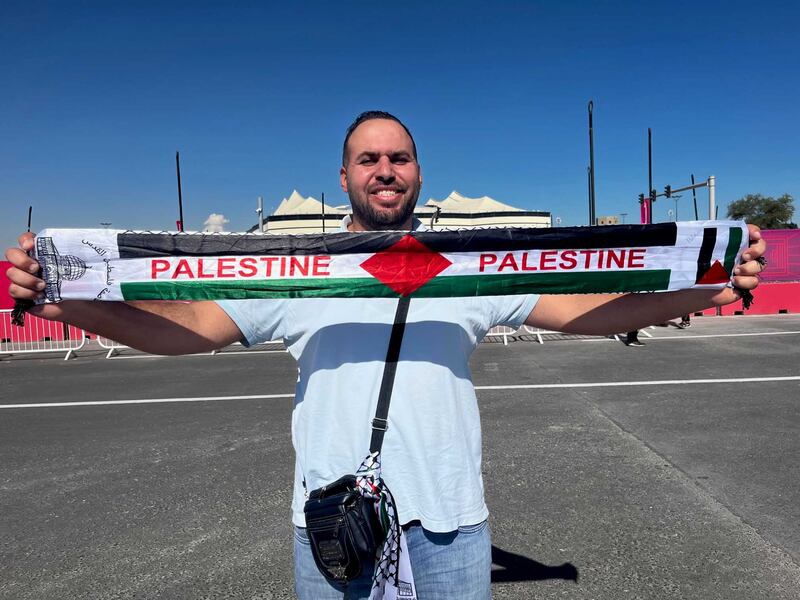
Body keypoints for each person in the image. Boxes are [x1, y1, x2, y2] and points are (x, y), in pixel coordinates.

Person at [4, 111, 767, 600]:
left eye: (398, 158)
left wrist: (707, 291)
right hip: (334, 523)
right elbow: (188, 327)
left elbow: (599, 313)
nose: (385, 170)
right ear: (344, 177)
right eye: (368, 159)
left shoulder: (471, 268)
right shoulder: (290, 269)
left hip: (452, 529)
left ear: (418, 172)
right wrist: (62, 301)